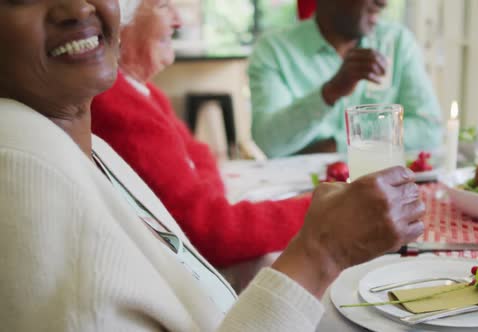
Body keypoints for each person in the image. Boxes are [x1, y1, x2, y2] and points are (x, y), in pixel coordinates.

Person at [0, 0, 426, 329]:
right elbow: (212, 218)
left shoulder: (83, 144)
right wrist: (323, 247)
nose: (77, 6)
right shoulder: (24, 162)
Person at [90, 0, 310, 270]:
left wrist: (206, 198)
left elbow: (199, 156)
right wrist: (323, 212)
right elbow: (212, 234)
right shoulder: (115, 106)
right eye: (163, 6)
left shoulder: (139, 92)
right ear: (118, 22)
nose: (178, 20)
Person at [249, 0, 442, 157]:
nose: (383, 3)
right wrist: (330, 92)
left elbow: (428, 130)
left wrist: (336, 145)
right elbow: (269, 143)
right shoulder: (274, 50)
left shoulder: (397, 42)